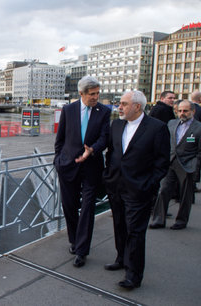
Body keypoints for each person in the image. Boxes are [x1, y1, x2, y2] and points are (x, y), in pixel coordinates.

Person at [103, 90, 170, 289]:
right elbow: (112, 153)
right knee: (119, 225)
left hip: (139, 189)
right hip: (116, 186)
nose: (119, 107)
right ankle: (121, 258)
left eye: (123, 104)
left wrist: (149, 184)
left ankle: (133, 275)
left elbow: (162, 163)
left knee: (135, 232)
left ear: (137, 106)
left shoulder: (157, 128)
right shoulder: (117, 124)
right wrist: (108, 176)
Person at [54, 75, 111, 268]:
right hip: (68, 166)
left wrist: (92, 149)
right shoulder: (68, 110)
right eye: (92, 94)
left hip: (92, 167)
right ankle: (74, 240)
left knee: (87, 208)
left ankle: (82, 250)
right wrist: (58, 161)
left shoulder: (103, 111)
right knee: (69, 206)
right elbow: (60, 139)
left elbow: (105, 137)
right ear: (81, 94)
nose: (96, 97)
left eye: (97, 93)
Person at [150, 100, 201, 230]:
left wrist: (195, 165)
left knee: (185, 195)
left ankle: (181, 221)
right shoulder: (171, 123)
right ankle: (158, 219)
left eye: (185, 111)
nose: (182, 113)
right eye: (179, 111)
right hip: (170, 163)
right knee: (163, 191)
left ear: (193, 111)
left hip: (187, 165)